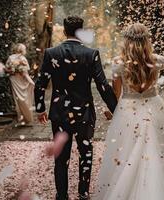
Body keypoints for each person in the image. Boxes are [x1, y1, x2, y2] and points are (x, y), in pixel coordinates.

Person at [94, 23, 164, 200]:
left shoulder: (117, 62)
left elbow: (116, 93)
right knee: (156, 149)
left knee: (126, 152)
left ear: (126, 40)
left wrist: (111, 112)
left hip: (127, 110)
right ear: (146, 40)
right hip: (154, 108)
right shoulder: (153, 59)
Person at [34, 16, 117, 200]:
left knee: (61, 158)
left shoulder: (51, 53)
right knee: (85, 153)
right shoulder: (91, 53)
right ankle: (83, 193)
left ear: (64, 31)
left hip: (59, 114)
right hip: (84, 113)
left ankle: (61, 196)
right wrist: (116, 109)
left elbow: (40, 83)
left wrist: (40, 108)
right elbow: (103, 85)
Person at [5, 43, 34, 125]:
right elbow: (26, 70)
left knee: (17, 99)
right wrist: (15, 70)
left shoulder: (11, 57)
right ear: (22, 50)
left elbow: (6, 69)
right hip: (18, 80)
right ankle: (24, 119)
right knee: (24, 99)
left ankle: (22, 119)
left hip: (15, 79)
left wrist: (12, 70)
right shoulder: (23, 58)